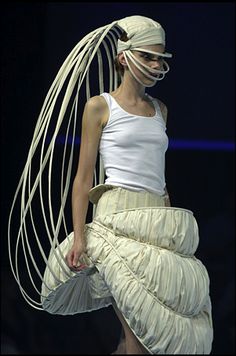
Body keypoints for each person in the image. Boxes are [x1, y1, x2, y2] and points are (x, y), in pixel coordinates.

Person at [8, 15, 213, 354]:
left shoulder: (160, 110)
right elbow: (83, 177)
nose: (155, 64)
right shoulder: (101, 107)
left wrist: (171, 227)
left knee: (151, 338)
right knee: (136, 337)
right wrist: (80, 235)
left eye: (159, 58)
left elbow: (158, 176)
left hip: (157, 224)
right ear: (123, 57)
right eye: (147, 56)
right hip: (116, 222)